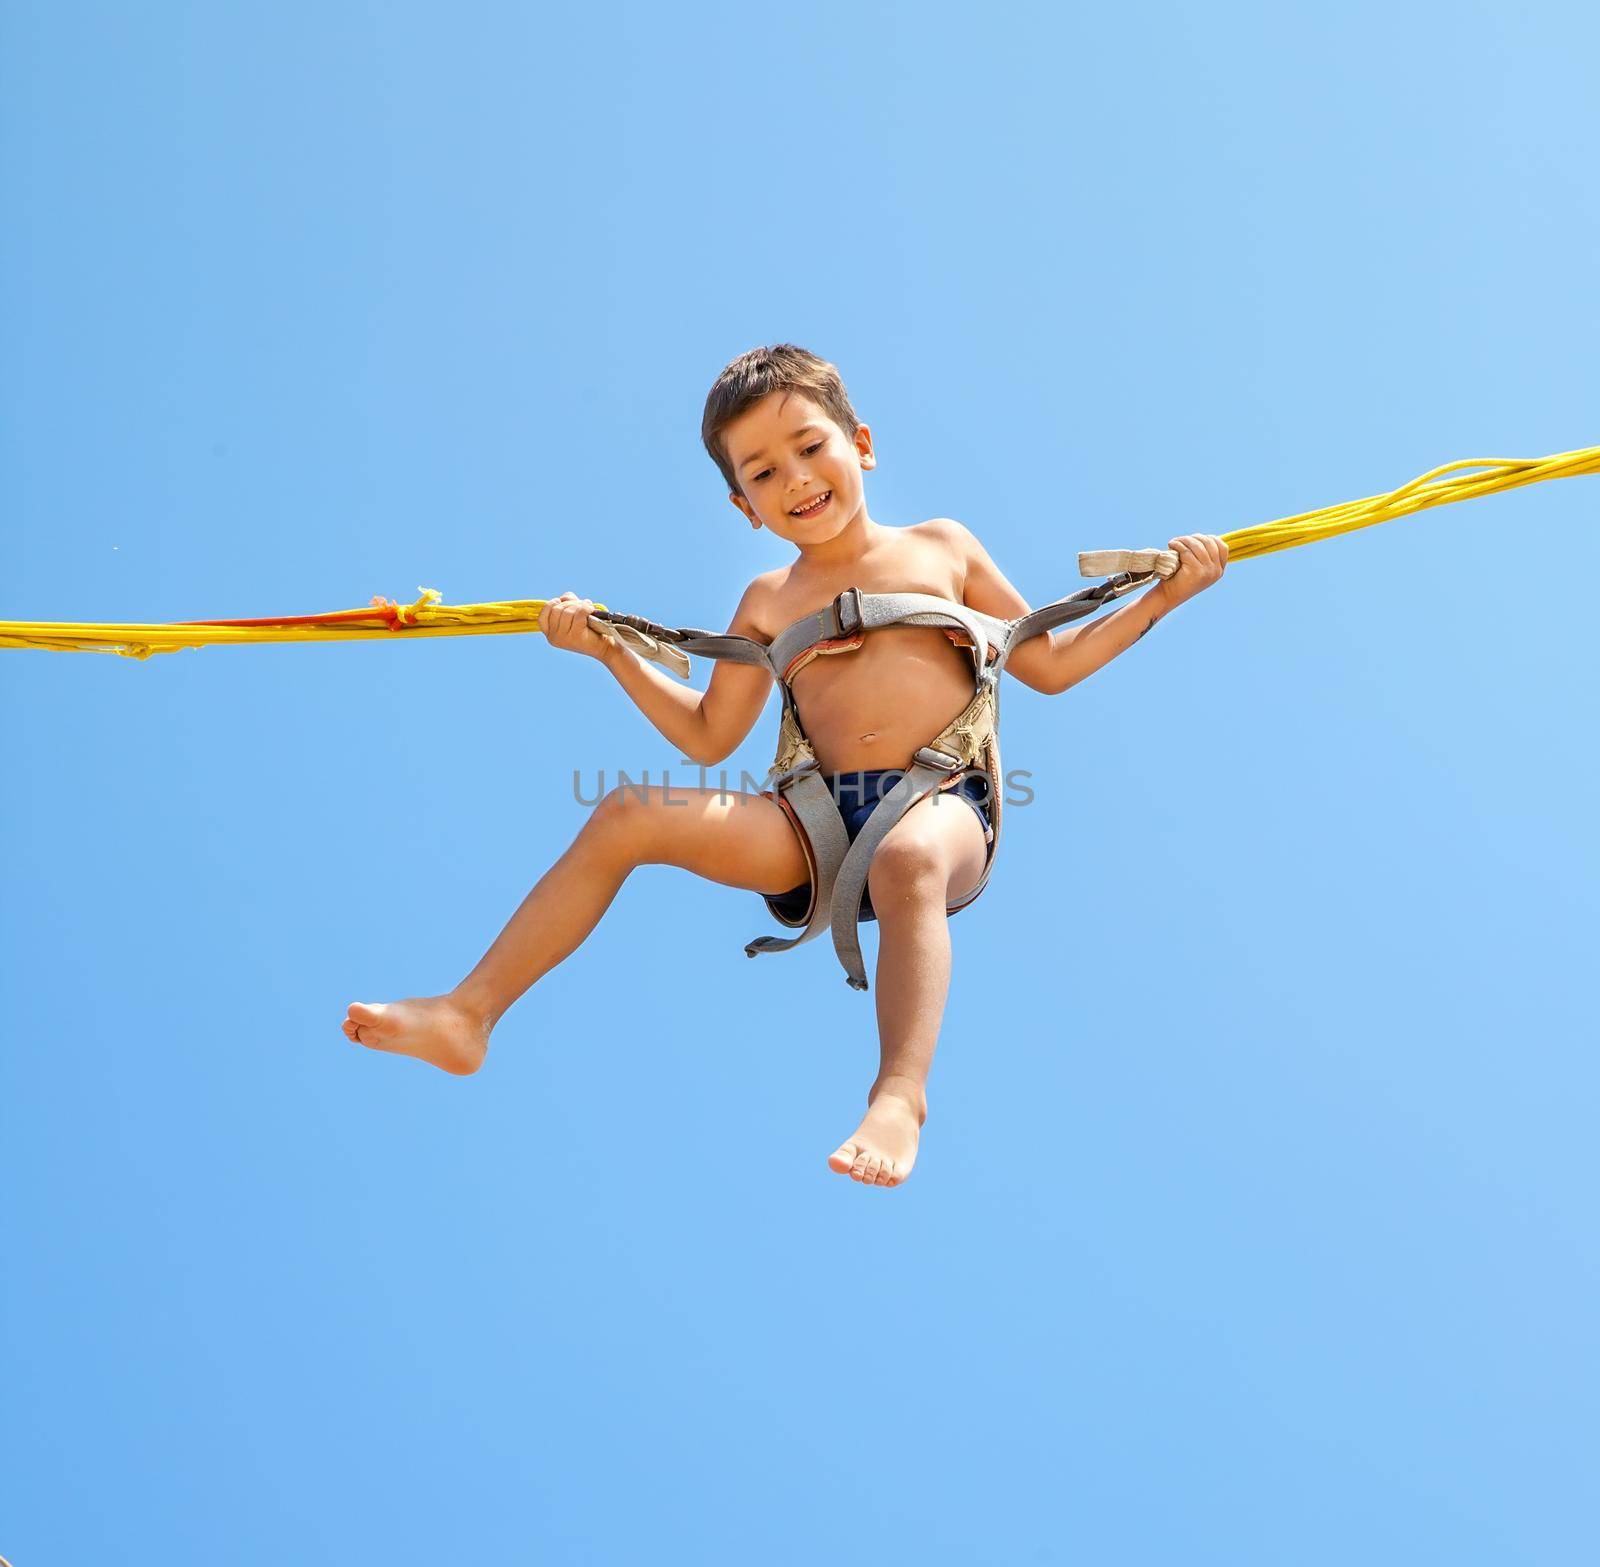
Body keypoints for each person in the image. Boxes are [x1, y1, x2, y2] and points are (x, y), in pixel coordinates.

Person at [342, 345, 1227, 1187]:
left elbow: (1050, 664)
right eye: (764, 472)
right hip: (812, 822)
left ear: (862, 446)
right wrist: (611, 653)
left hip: (942, 802)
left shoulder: (943, 547)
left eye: (811, 447)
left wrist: (1168, 591)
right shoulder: (767, 600)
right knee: (624, 813)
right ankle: (468, 1014)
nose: (797, 478)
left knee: (909, 857)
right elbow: (707, 737)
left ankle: (898, 1098)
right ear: (744, 508)